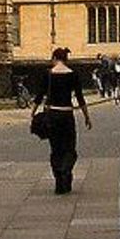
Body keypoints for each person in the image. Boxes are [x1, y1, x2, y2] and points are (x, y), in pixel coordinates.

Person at [32, 47, 92, 194]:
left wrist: (32, 113)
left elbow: (39, 96)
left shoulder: (49, 74)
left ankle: (59, 181)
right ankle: (66, 170)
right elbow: (79, 97)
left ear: (54, 58)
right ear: (66, 59)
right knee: (70, 148)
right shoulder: (73, 74)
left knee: (56, 149)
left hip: (52, 115)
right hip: (67, 115)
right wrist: (86, 116)